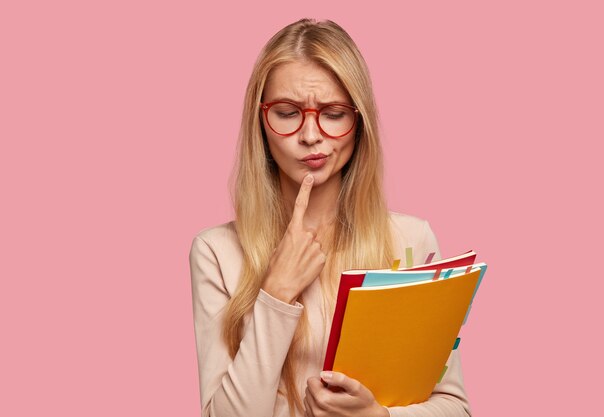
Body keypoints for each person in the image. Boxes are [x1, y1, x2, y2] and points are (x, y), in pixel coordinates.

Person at [189, 18, 472, 417]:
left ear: (359, 122)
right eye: (287, 113)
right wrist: (276, 293)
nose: (310, 135)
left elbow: (455, 408)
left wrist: (377, 415)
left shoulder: (410, 237)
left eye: (333, 113)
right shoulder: (215, 252)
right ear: (260, 122)